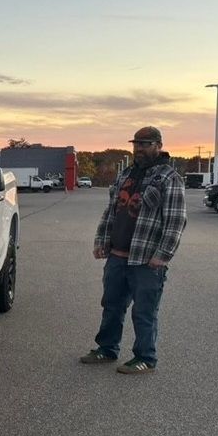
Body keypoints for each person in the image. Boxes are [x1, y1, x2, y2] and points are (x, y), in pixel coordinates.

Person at [80, 126, 187, 374]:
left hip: (146, 261)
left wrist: (162, 255)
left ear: (158, 146)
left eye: (146, 144)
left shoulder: (169, 178)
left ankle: (145, 358)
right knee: (111, 306)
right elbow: (112, 211)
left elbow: (176, 220)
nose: (139, 149)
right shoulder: (126, 174)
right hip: (117, 257)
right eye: (136, 144)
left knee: (144, 312)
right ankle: (107, 349)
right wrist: (101, 241)